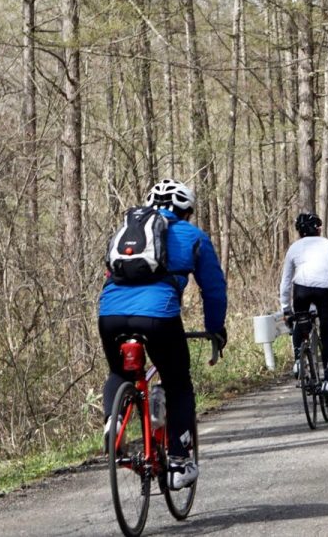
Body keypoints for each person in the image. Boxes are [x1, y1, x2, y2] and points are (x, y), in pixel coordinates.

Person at [98, 179, 227, 490]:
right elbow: (213, 289)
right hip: (158, 316)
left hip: (110, 315)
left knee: (120, 372)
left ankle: (113, 424)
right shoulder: (193, 236)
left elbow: (110, 275)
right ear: (185, 210)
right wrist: (215, 329)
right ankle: (180, 461)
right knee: (177, 381)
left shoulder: (127, 233)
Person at [279, 212, 328, 407]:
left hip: (301, 290)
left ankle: (299, 360)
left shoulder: (294, 248)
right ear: (317, 229)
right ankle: (327, 383)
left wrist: (285, 308)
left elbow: (285, 282)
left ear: (299, 232)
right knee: (326, 336)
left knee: (300, 322)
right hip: (325, 292)